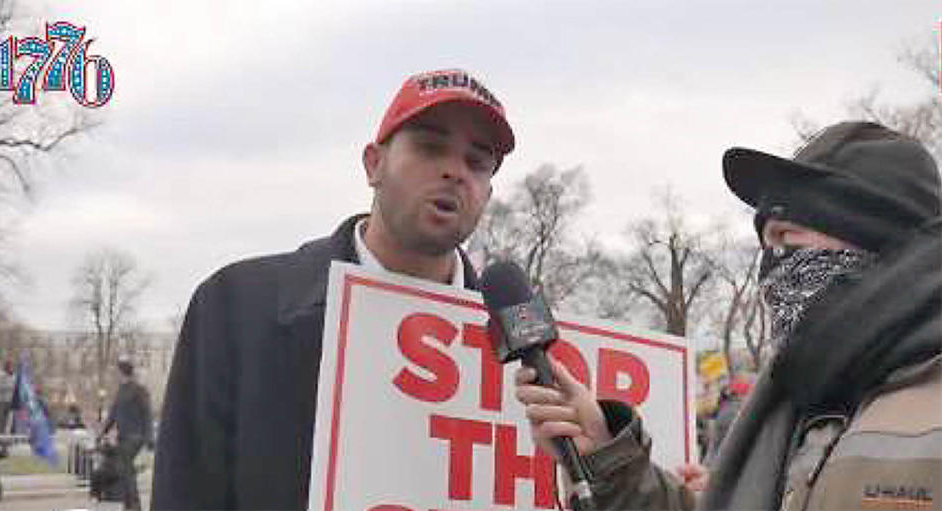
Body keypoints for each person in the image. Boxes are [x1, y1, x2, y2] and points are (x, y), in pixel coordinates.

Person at [514, 121, 941, 510]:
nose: (772, 267)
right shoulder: (800, 390)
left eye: (786, 238)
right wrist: (607, 456)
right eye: (765, 244)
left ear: (873, 235)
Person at [151, 69, 515, 510]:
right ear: (373, 164)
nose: (454, 171)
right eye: (430, 147)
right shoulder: (236, 306)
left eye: (477, 161)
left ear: (487, 194)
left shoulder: (523, 356)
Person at [99, 357, 154, 511]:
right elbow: (113, 414)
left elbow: (147, 413)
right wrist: (103, 432)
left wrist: (150, 438)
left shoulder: (139, 390)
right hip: (124, 436)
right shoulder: (121, 391)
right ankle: (131, 504)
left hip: (136, 436)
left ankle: (133, 505)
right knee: (125, 469)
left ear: (122, 372)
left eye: (117, 372)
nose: (115, 375)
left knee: (124, 466)